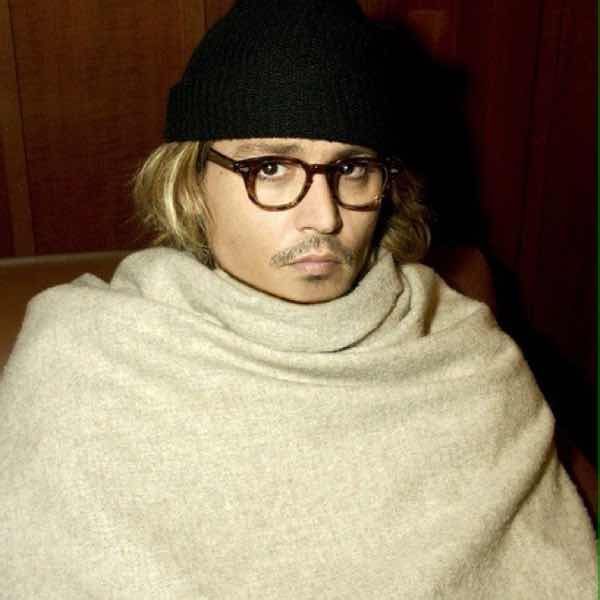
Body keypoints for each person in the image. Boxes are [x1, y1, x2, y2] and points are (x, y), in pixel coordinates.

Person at [0, 1, 596, 598]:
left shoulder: (466, 355)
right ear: (190, 183)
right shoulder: (83, 360)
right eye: (271, 168)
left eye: (352, 169)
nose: (325, 216)